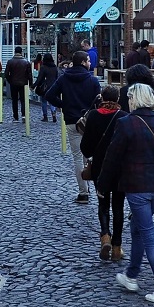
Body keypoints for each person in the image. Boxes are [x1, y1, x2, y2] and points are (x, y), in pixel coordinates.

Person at [98, 82, 154, 304]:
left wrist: (103, 185)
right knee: (137, 229)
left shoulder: (126, 124)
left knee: (148, 236)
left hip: (137, 187)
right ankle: (131, 274)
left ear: (134, 99)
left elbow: (112, 157)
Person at [79, 84, 128, 260]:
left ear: (102, 98)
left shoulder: (93, 116)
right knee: (118, 207)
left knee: (103, 204)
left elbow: (85, 147)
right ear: (118, 99)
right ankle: (117, 247)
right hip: (120, 167)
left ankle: (105, 235)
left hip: (100, 167)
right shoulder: (123, 117)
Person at [47, 52, 102, 203]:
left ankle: (83, 192)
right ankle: (97, 189)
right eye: (89, 60)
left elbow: (49, 95)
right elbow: (98, 102)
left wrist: (63, 105)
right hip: (90, 121)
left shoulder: (64, 78)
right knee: (91, 156)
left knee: (78, 157)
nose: (90, 63)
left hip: (72, 120)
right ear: (83, 62)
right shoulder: (92, 80)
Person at [4, 46, 33, 122]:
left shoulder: (10, 61)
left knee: (14, 100)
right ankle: (23, 115)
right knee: (23, 100)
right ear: (21, 52)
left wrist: (10, 80)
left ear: (14, 52)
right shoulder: (26, 62)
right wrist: (31, 84)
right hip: (23, 83)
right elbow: (29, 74)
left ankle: (15, 117)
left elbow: (6, 74)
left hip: (13, 83)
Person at [34, 54, 60, 123]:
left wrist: (34, 85)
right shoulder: (55, 67)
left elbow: (39, 78)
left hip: (45, 87)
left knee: (44, 101)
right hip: (53, 86)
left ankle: (45, 116)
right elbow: (57, 77)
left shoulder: (43, 67)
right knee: (52, 102)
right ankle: (53, 114)